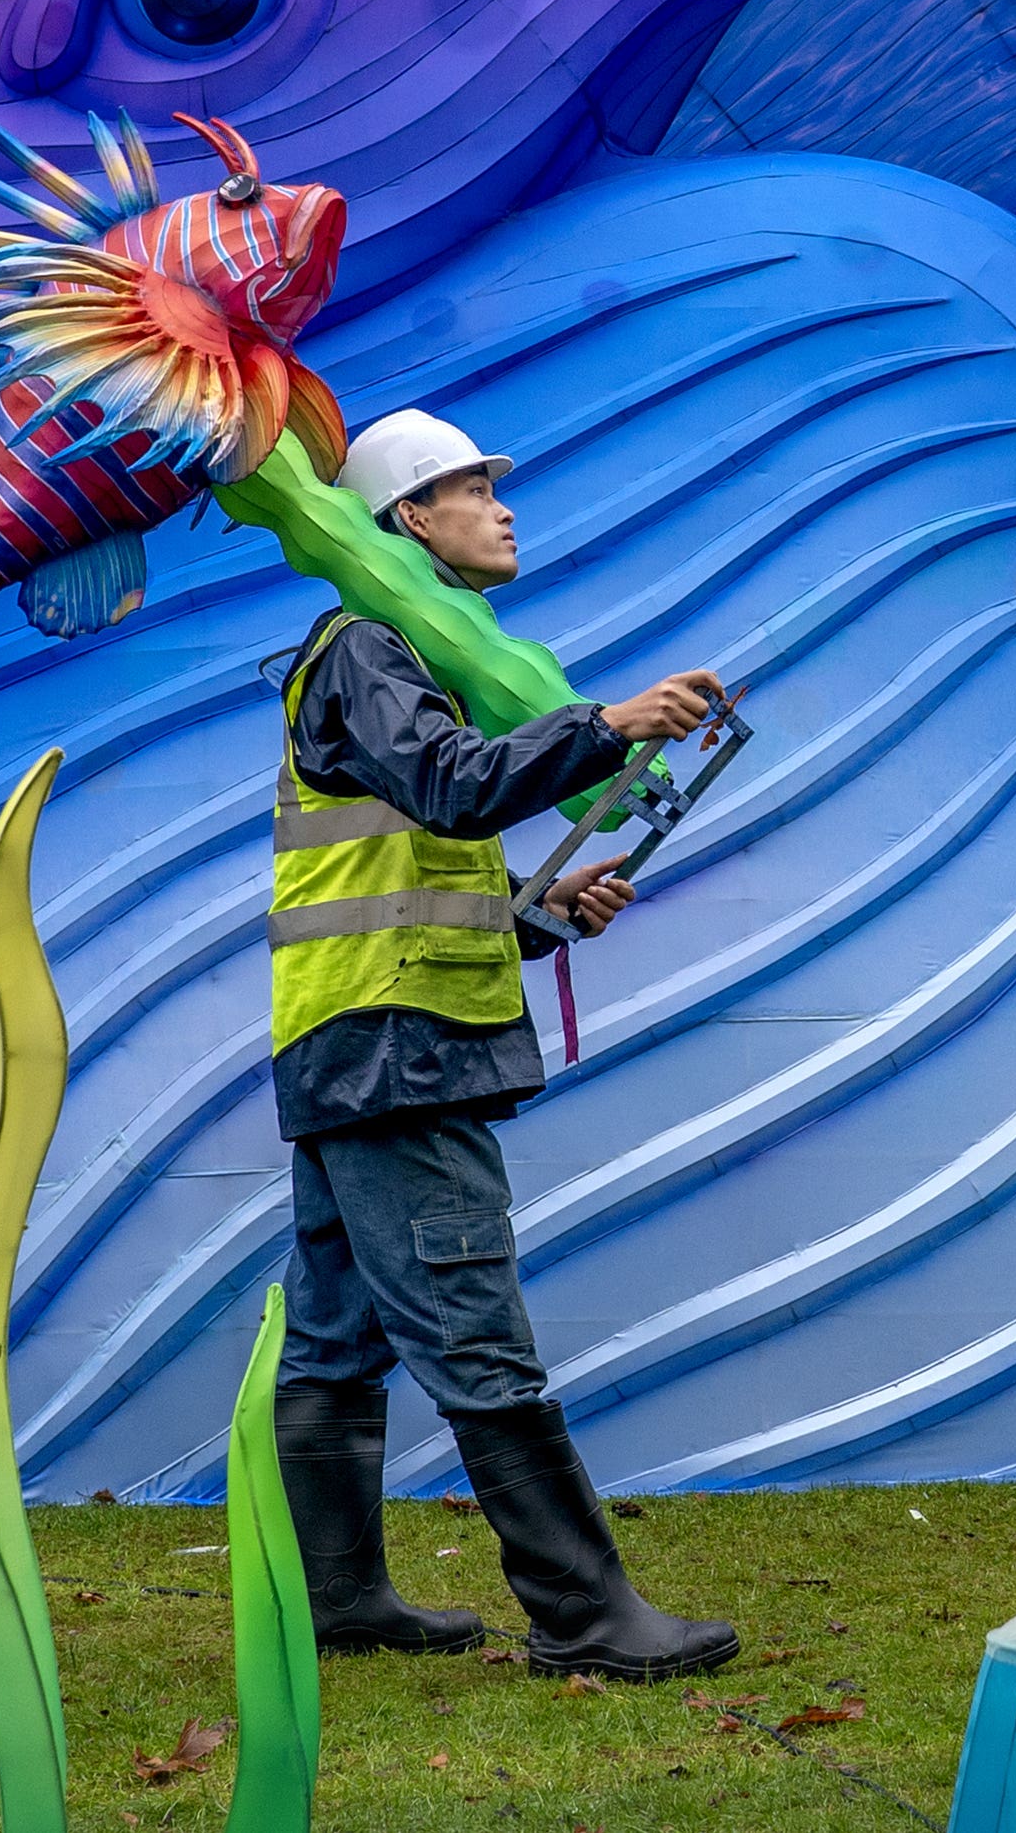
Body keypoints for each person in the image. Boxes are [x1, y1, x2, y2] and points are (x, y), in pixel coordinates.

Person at [269, 407, 743, 1681]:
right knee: (476, 1329)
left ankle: (340, 1602)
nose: (503, 505)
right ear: (407, 520)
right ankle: (585, 1614)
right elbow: (455, 785)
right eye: (473, 487)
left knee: (336, 1339)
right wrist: (611, 723)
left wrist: (535, 915)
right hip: (396, 1058)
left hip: (357, 1046)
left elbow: (409, 868)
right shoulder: (369, 645)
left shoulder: (387, 656)